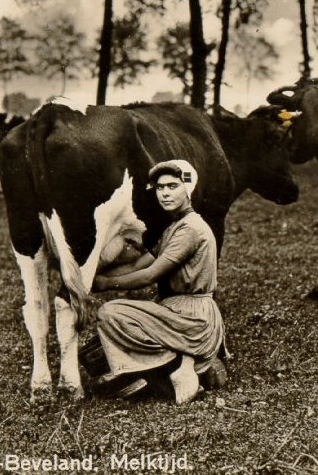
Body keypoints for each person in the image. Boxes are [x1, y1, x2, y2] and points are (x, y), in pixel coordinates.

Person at [88, 160, 226, 403]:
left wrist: (106, 284)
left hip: (193, 317)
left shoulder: (190, 229)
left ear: (188, 189)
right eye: (160, 188)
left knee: (110, 313)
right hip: (177, 311)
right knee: (91, 352)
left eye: (172, 186)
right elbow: (136, 264)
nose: (164, 193)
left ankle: (177, 365)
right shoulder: (174, 227)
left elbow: (150, 274)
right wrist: (91, 275)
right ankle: (175, 370)